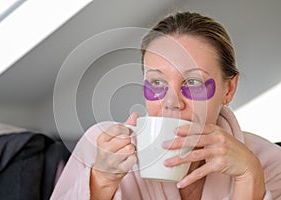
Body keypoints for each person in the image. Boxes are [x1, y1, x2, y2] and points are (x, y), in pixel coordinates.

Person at [50, 12, 281, 200]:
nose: (172, 103)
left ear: (228, 89)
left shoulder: (269, 162)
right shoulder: (99, 147)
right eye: (157, 82)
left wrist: (249, 177)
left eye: (193, 82)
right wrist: (101, 180)